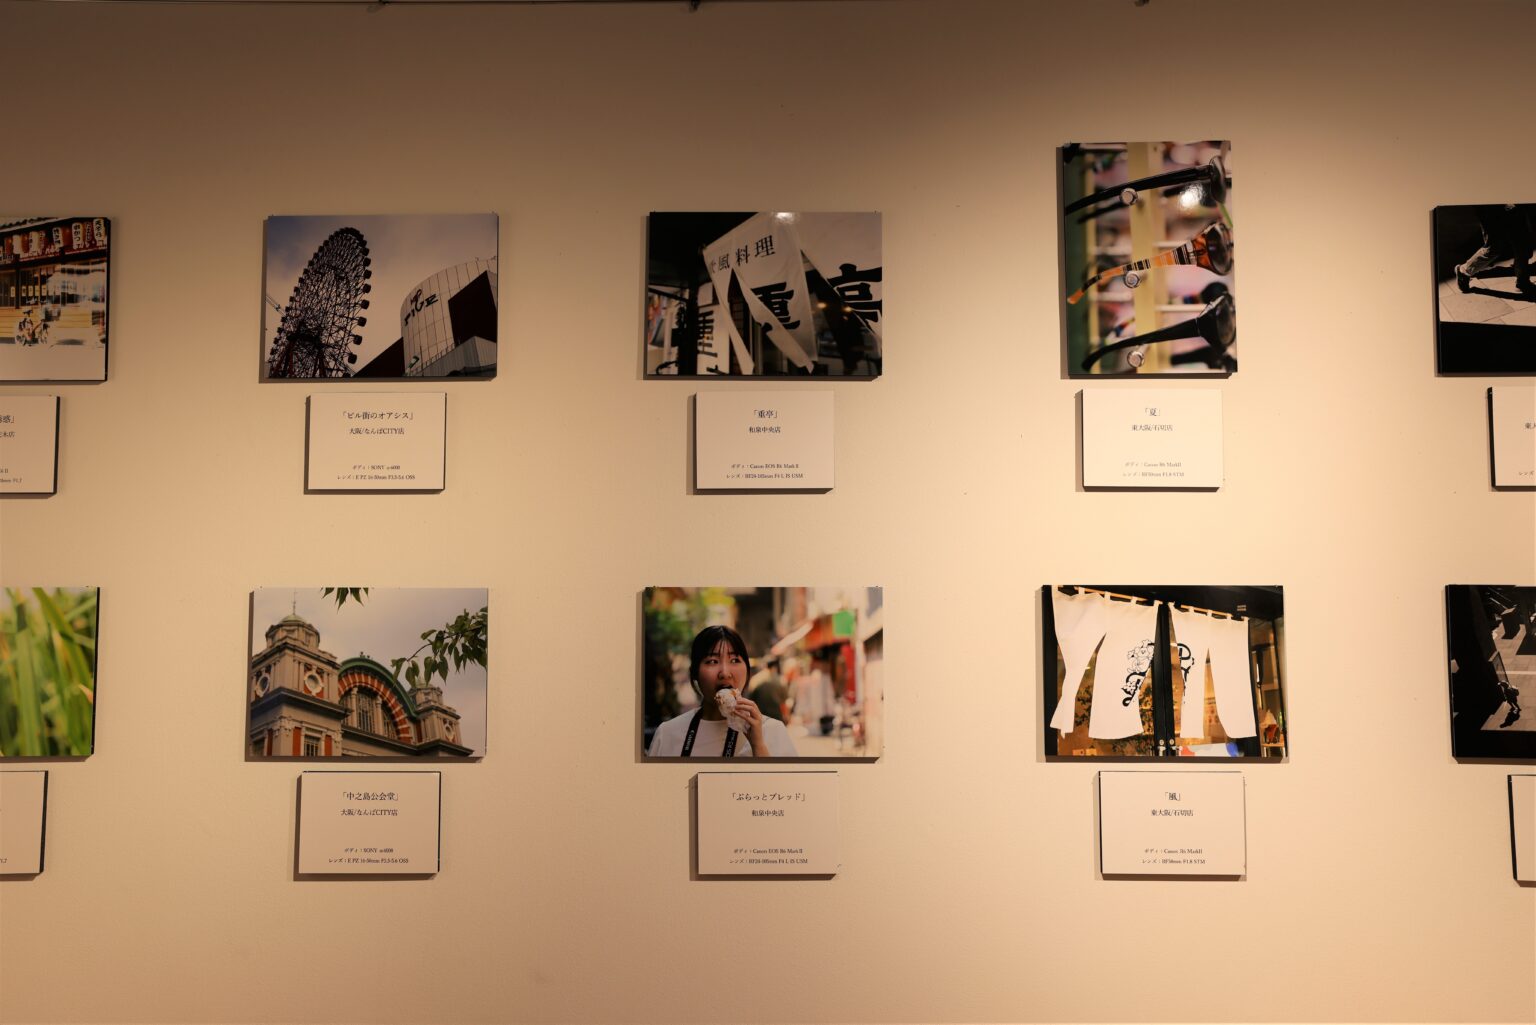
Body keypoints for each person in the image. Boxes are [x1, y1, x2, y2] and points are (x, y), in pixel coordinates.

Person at [647, 625, 797, 757]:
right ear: (695, 673)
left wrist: (758, 746)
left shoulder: (771, 731)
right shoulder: (667, 733)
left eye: (735, 660)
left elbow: (784, 782)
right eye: (712, 661)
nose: (725, 673)